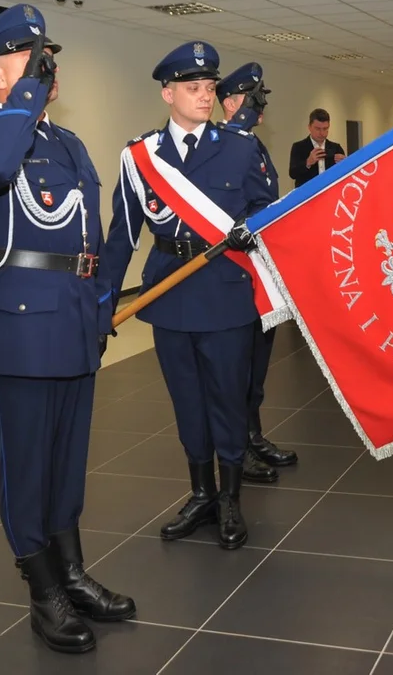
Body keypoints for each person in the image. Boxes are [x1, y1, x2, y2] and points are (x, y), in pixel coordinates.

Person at [0, 3, 135, 654]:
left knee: (66, 464)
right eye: (31, 59)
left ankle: (72, 572)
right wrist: (20, 98)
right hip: (23, 329)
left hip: (77, 321)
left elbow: (90, 235)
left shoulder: (66, 142)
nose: (47, 70)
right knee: (28, 466)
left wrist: (103, 300)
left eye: (47, 60)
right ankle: (43, 591)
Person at [102, 42, 274, 550]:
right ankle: (201, 494)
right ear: (168, 93)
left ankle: (230, 501)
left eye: (210, 88)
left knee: (227, 400)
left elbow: (269, 213)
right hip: (170, 295)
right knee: (188, 403)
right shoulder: (140, 157)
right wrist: (101, 305)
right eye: (194, 88)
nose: (206, 96)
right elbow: (121, 235)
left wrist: (251, 229)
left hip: (225, 293)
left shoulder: (240, 147)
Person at [215, 62, 298, 471]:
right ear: (230, 104)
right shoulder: (224, 144)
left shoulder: (253, 144)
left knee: (257, 365)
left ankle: (252, 435)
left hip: (262, 270)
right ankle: (237, 447)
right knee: (237, 369)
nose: (258, 106)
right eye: (250, 98)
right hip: (238, 271)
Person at [288, 108, 345, 188]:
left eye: (325, 129)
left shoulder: (336, 148)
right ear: (309, 127)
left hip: (331, 194)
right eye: (317, 129)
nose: (322, 133)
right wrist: (308, 162)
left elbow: (343, 175)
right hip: (307, 196)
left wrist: (345, 164)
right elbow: (292, 174)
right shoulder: (298, 147)